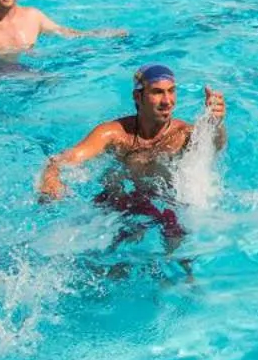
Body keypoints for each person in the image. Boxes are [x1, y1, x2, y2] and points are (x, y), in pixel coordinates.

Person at [37, 65, 227, 247]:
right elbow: (67, 158)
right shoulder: (114, 134)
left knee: (177, 252)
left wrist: (215, 124)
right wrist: (51, 176)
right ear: (138, 96)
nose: (167, 101)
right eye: (157, 92)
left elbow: (213, 146)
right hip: (121, 197)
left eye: (171, 91)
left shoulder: (182, 134)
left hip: (166, 201)